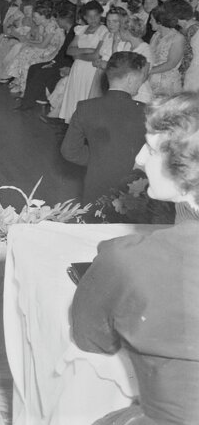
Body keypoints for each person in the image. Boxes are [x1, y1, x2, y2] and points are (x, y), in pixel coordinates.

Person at [71, 92, 199, 425]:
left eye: (152, 150)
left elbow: (90, 339)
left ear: (187, 171)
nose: (140, 158)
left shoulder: (128, 259)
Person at [61, 51, 148, 207]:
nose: (142, 83)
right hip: (135, 189)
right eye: (142, 78)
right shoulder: (146, 112)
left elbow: (69, 151)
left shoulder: (86, 108)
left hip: (96, 184)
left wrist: (98, 158)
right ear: (130, 79)